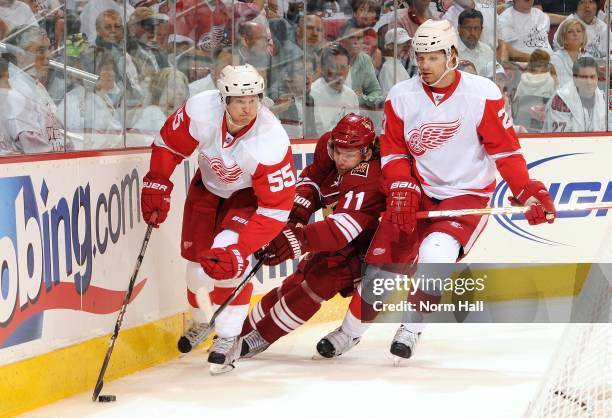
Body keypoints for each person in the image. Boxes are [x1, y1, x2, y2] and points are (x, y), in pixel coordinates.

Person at [320, 19, 556, 361]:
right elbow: (396, 151)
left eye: (433, 57)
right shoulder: (402, 96)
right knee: (382, 272)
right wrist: (401, 186)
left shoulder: (482, 93)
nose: (425, 65)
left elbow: (506, 153)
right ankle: (349, 333)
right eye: (420, 57)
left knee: (435, 255)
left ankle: (411, 328)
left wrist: (528, 191)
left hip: (467, 194)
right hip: (419, 190)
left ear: (452, 55)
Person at [139, 64, 296, 374]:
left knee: (225, 263)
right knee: (196, 273)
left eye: (254, 99)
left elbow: (276, 208)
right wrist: (157, 182)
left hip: (246, 199)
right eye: (239, 101)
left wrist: (241, 249)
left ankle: (228, 335)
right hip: (207, 190)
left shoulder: (270, 140)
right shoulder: (201, 109)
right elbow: (169, 144)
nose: (248, 108)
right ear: (224, 99)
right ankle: (202, 323)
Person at [240, 114, 385, 359]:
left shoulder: (369, 176)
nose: (340, 159)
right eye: (338, 151)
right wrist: (295, 218)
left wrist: (294, 239)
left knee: (321, 280)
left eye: (349, 155)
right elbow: (312, 182)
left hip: (372, 248)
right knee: (298, 279)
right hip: (345, 239)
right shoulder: (329, 148)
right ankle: (240, 331)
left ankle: (260, 338)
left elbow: (340, 230)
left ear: (367, 152)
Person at [543, 56, 606, 132]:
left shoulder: (603, 98)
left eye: (592, 77)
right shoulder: (562, 99)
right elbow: (559, 138)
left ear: (597, 77)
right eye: (584, 77)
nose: (589, 82)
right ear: (574, 78)